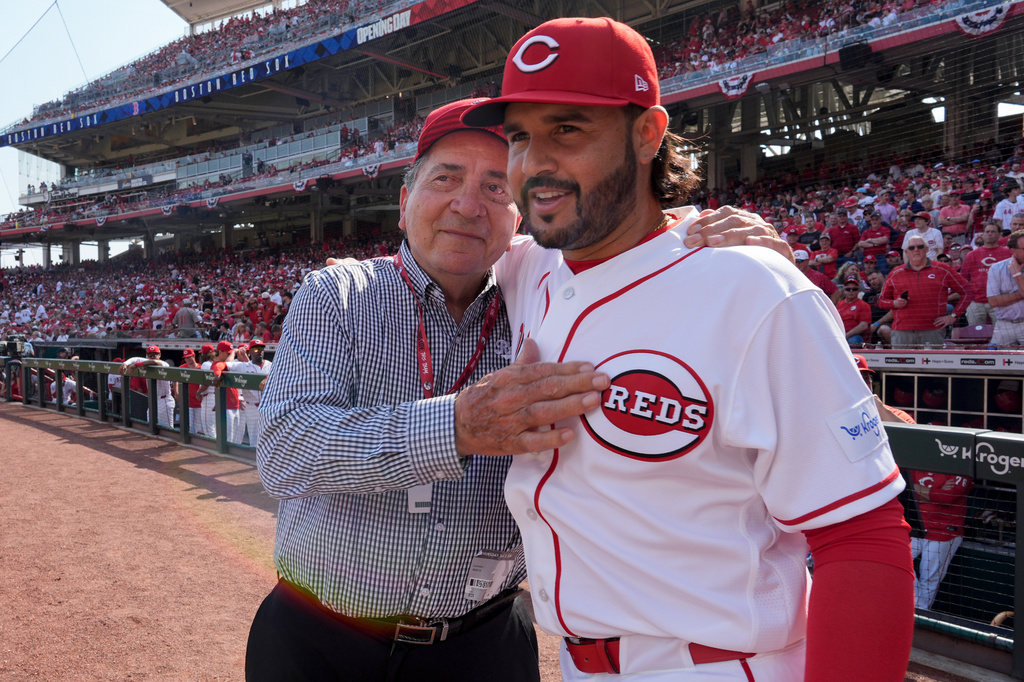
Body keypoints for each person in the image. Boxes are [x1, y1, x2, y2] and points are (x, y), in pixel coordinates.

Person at [249, 98, 788, 682]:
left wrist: (719, 240)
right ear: (405, 203)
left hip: (483, 641)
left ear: (522, 216)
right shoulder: (339, 293)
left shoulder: (547, 291)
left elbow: (632, 238)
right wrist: (458, 426)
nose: (466, 205)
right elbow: (283, 448)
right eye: (445, 179)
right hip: (321, 635)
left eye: (495, 187)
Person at [462, 17, 913, 681]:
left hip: (720, 664)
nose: (536, 163)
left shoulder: (751, 286)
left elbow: (862, 540)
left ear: (648, 134)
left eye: (568, 130)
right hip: (582, 665)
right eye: (521, 137)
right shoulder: (529, 270)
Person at [879, 234, 968, 347]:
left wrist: (953, 316)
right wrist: (895, 303)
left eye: (920, 246)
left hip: (932, 331)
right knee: (901, 365)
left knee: (932, 364)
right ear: (906, 252)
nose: (916, 250)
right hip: (902, 332)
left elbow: (968, 291)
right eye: (912, 248)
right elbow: (881, 301)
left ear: (927, 249)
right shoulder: (896, 273)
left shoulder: (943, 269)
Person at [908, 468, 974, 611]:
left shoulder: (960, 462)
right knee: (899, 563)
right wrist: (937, 491)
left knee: (930, 578)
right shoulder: (917, 462)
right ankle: (915, 608)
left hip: (944, 531)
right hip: (916, 526)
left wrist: (919, 490)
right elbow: (906, 491)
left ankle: (921, 613)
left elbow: (948, 497)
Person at [959, 221, 1012, 325]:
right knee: (975, 335)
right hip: (976, 301)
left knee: (1001, 334)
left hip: (1000, 301)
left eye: (993, 231)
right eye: (987, 231)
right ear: (983, 234)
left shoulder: (1008, 253)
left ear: (999, 234)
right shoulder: (972, 255)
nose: (990, 234)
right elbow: (963, 278)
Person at [120, 345, 176, 428]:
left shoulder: (164, 363)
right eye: (150, 355)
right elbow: (134, 358)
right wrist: (125, 363)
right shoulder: (147, 361)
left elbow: (155, 362)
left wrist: (136, 365)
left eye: (155, 355)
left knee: (167, 429)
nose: (152, 357)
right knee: (151, 427)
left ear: (159, 355)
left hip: (164, 400)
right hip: (153, 400)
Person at [986, 229, 1024, 346]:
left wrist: (1017, 275)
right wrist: (1022, 293)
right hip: (1004, 325)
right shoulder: (996, 268)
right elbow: (993, 301)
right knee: (994, 359)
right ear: (1014, 250)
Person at [836, 276, 871, 346]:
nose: (851, 291)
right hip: (839, 335)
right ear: (843, 290)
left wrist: (846, 335)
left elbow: (863, 325)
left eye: (854, 289)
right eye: (848, 289)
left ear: (858, 290)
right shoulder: (839, 304)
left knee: (854, 340)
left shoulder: (864, 305)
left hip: (855, 336)